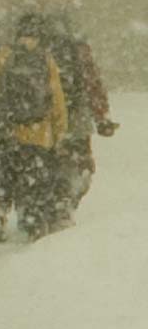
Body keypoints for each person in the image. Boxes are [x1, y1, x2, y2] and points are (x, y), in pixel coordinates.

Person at [0, 12, 68, 241]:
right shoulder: (45, 58)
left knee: (3, 178)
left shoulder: (5, 55)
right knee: (33, 184)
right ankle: (32, 224)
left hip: (7, 131)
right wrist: (59, 131)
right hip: (38, 133)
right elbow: (57, 98)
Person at [45, 12, 119, 219]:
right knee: (80, 163)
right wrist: (102, 117)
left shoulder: (39, 50)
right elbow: (92, 84)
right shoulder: (78, 49)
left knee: (51, 162)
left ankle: (50, 204)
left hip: (45, 118)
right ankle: (66, 202)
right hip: (76, 115)